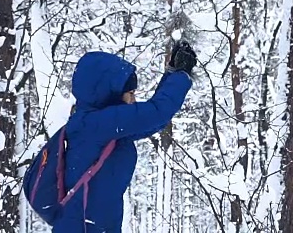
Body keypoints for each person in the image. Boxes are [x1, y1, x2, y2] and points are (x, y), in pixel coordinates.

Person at [53, 41, 197, 232]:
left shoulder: (99, 126)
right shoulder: (98, 124)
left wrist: (172, 73)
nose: (134, 100)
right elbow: (157, 113)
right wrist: (181, 75)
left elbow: (154, 121)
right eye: (130, 93)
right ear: (109, 94)